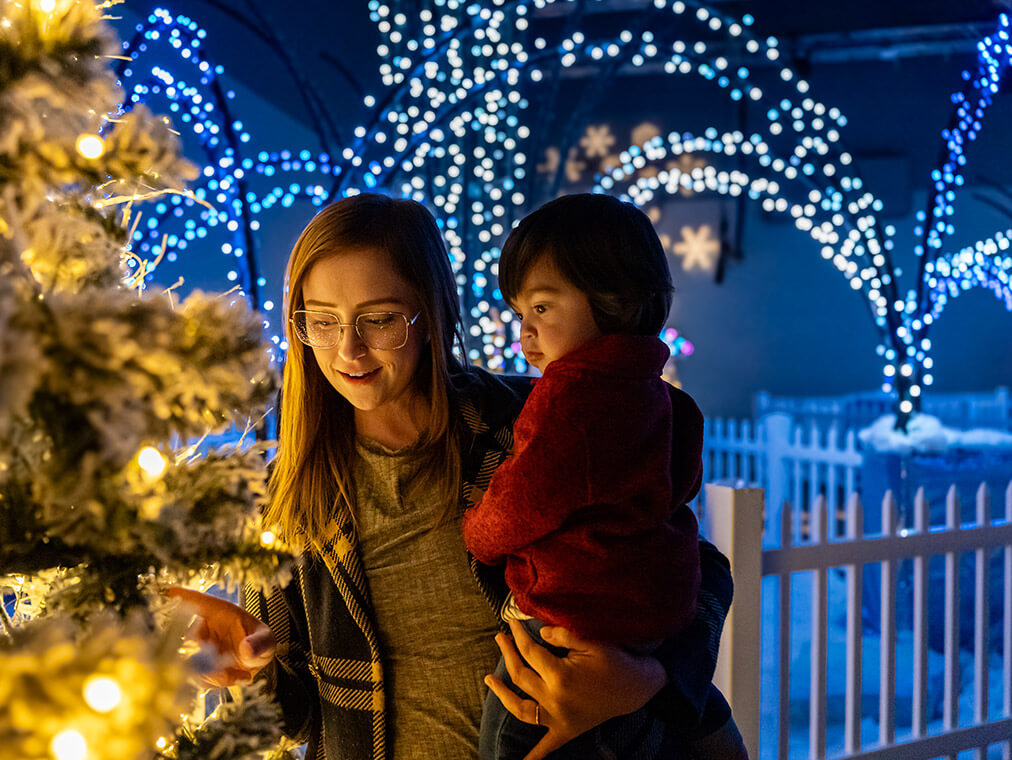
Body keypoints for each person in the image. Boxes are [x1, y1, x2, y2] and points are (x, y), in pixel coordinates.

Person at [170, 193, 737, 760]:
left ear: (432, 312)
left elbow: (698, 568)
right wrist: (247, 661)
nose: (349, 348)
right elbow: (292, 716)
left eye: (380, 319)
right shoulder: (287, 495)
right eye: (322, 321)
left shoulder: (539, 422)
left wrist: (646, 678)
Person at [462, 193, 746, 760]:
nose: (525, 332)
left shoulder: (564, 397)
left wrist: (478, 533)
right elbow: (679, 489)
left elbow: (525, 496)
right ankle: (709, 728)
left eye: (542, 308)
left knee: (510, 735)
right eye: (521, 313)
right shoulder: (665, 399)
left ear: (613, 301)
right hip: (651, 616)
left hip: (568, 617)